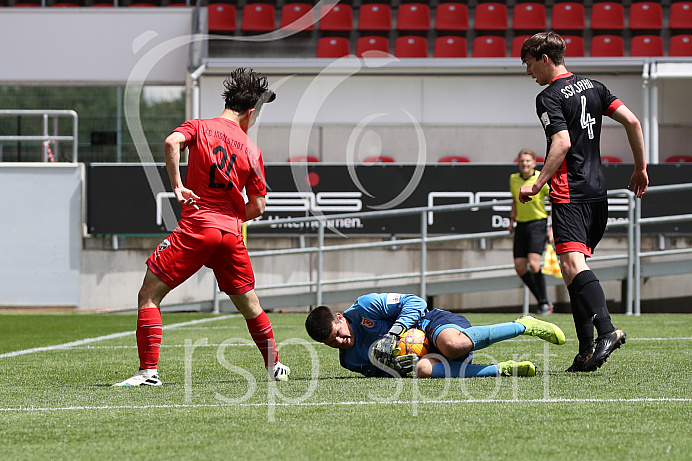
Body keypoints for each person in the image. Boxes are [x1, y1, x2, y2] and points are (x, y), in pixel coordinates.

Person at [114, 68, 290, 386]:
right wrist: (233, 219)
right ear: (250, 112)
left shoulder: (200, 127)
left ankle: (148, 372)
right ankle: (274, 366)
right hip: (231, 234)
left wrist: (178, 185)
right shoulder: (252, 149)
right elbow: (259, 206)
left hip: (198, 226)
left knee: (149, 296)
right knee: (251, 306)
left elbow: (171, 142)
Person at [518, 32, 649, 372]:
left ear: (544, 58)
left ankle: (606, 331)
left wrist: (537, 184)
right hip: (597, 192)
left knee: (573, 266)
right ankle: (586, 350)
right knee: (570, 271)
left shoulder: (548, 97)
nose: (529, 72)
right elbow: (633, 121)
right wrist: (640, 167)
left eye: (529, 64)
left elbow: (560, 143)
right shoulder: (595, 86)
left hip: (569, 191)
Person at [304, 293, 566, 379]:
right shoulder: (349, 362)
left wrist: (396, 332)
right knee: (423, 370)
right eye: (332, 343)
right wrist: (396, 367)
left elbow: (416, 302)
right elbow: (383, 374)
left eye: (339, 334)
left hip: (432, 322)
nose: (341, 342)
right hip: (427, 355)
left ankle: (523, 325)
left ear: (339, 317)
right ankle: (503, 369)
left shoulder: (365, 306)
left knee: (453, 344)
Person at [509, 148, 554, 315]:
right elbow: (515, 201)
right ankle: (543, 300)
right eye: (522, 161)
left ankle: (543, 302)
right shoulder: (513, 179)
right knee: (520, 267)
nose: (524, 164)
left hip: (538, 224)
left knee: (534, 264)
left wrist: (552, 228)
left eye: (528, 161)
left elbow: (553, 203)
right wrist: (512, 220)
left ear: (534, 163)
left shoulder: (541, 178)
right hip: (521, 225)